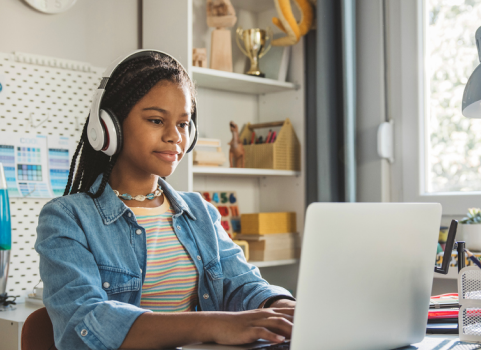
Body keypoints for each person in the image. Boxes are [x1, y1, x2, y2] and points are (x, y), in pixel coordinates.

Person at [35, 51, 296, 350]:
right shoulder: (67, 218)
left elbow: (241, 284)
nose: (175, 136)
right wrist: (213, 324)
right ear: (110, 127)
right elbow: (83, 322)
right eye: (157, 120)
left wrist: (281, 306)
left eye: (184, 124)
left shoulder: (200, 212)